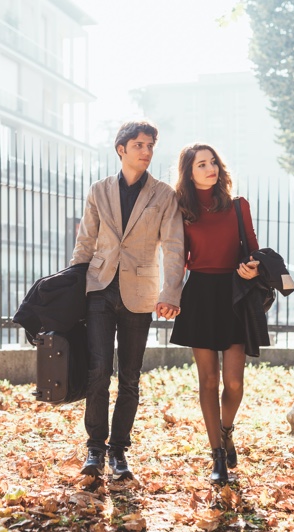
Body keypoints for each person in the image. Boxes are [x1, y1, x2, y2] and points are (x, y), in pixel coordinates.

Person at [71, 120, 185, 480]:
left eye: (150, 145)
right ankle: (95, 449)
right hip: (99, 289)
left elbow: (173, 246)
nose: (146, 151)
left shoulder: (164, 194)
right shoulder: (99, 190)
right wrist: (74, 287)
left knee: (131, 377)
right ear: (121, 149)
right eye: (139, 145)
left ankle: (119, 451)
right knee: (98, 371)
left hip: (140, 293)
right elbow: (85, 242)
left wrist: (170, 293)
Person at [170, 142, 260, 485]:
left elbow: (252, 249)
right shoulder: (182, 210)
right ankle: (217, 455)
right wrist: (169, 295)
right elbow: (177, 257)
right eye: (201, 165)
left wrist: (252, 267)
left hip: (233, 294)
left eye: (213, 163)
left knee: (234, 382)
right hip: (199, 296)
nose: (211, 169)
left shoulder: (238, 206)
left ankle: (226, 431)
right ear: (189, 173)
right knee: (207, 380)